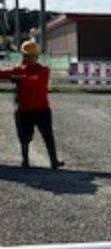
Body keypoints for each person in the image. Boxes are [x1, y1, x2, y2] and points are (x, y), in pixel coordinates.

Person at [0, 39, 64, 169]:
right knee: (24, 136)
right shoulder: (18, 69)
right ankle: (25, 160)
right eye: (27, 56)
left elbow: (32, 80)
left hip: (41, 109)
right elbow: (3, 74)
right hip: (24, 109)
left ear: (37, 56)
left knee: (48, 136)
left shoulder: (43, 70)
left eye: (32, 56)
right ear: (24, 56)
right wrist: (15, 76)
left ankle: (54, 161)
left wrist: (18, 78)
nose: (30, 58)